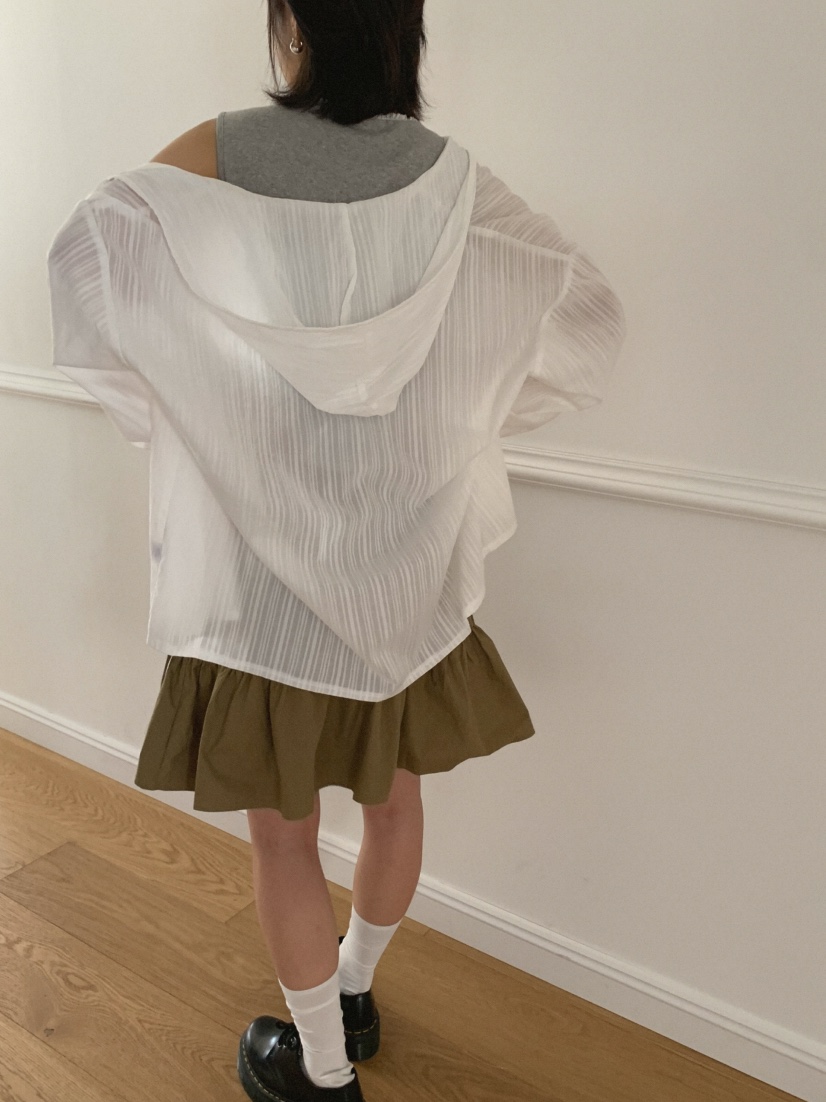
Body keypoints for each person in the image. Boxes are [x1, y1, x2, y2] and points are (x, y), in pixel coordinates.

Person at [46, 2, 626, 1098]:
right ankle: (354, 991)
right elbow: (585, 311)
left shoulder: (218, 151)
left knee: (283, 837)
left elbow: (86, 255)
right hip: (402, 572)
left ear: (292, 21)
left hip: (262, 576)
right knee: (395, 802)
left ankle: (318, 1070)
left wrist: (184, 410)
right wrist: (460, 421)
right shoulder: (451, 177)